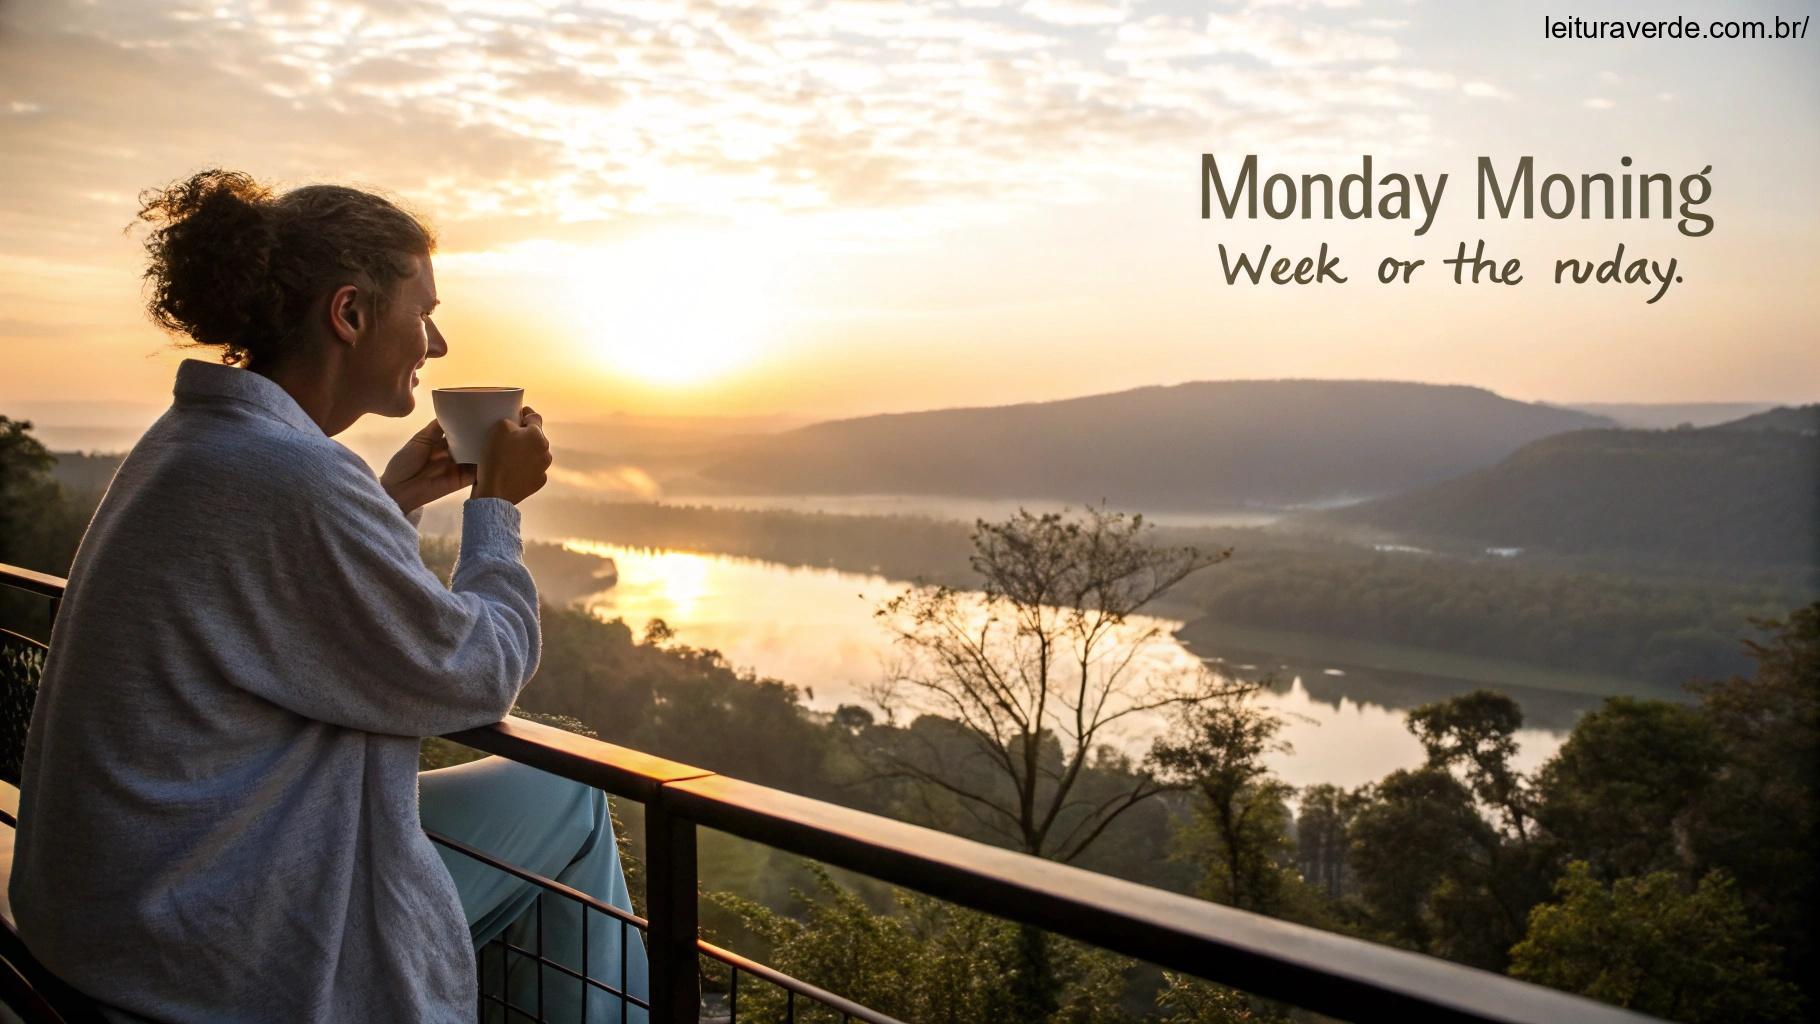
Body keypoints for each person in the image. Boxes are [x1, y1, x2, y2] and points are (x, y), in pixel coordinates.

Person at [7, 169, 648, 1022]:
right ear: (349, 314)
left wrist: (392, 501)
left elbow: (273, 603)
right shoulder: (289, 475)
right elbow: (477, 672)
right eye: (424, 312)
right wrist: (495, 506)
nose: (438, 344)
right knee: (568, 798)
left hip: (119, 908)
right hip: (202, 937)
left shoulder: (199, 442)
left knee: (556, 795)